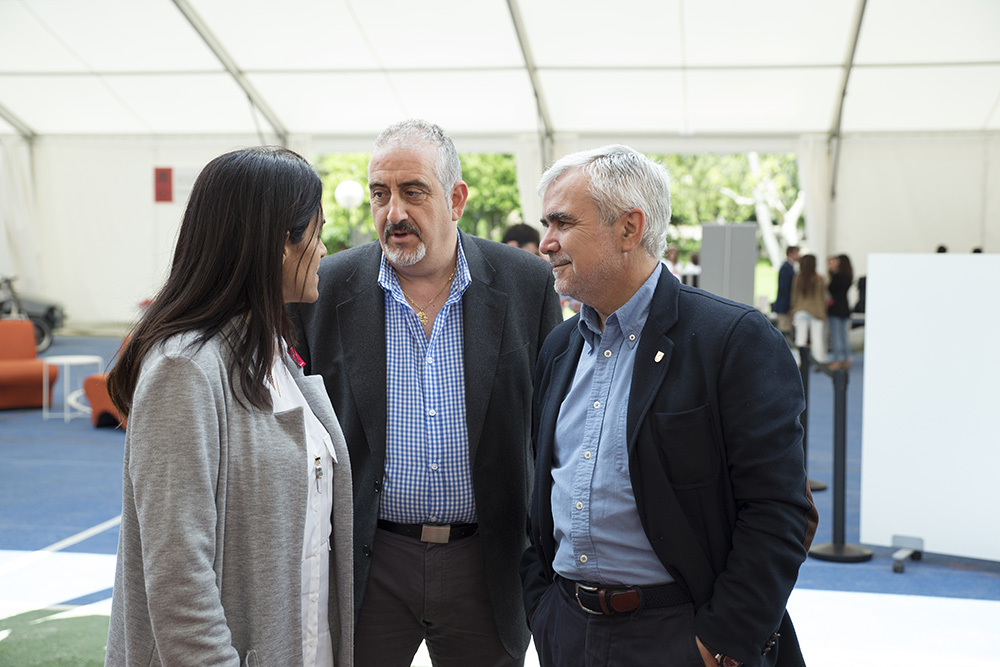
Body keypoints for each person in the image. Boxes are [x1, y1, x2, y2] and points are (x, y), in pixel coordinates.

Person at [521, 145, 816, 667]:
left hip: (679, 635)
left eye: (562, 223)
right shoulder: (560, 348)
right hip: (566, 629)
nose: (546, 242)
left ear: (629, 228)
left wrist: (718, 643)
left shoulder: (733, 340)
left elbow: (779, 511)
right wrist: (542, 609)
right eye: (547, 224)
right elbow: (540, 491)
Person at [292, 119, 563, 667]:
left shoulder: (526, 284)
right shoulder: (325, 289)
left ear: (456, 199)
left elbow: (550, 426)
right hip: (367, 560)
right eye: (380, 194)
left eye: (413, 192)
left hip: (487, 563)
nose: (393, 212)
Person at [105, 147, 354, 667]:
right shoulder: (185, 368)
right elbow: (180, 581)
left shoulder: (273, 354)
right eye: (316, 232)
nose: (324, 249)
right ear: (279, 242)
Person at [790, 254, 828, 363]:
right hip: (816, 311)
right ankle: (819, 361)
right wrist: (823, 313)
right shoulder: (819, 278)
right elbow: (822, 298)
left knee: (800, 337)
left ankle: (798, 361)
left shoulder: (798, 278)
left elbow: (794, 296)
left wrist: (793, 310)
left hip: (800, 309)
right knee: (817, 338)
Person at [826, 254, 854, 370]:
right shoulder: (848, 276)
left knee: (836, 337)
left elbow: (831, 290)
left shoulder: (837, 277)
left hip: (836, 310)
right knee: (844, 336)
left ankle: (837, 360)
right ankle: (847, 358)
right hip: (845, 309)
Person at [772, 245, 800, 334]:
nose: (799, 255)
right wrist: (788, 306)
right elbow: (784, 289)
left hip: (786, 306)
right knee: (784, 329)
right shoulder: (786, 268)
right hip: (784, 306)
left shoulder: (790, 267)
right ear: (790, 254)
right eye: (797, 253)